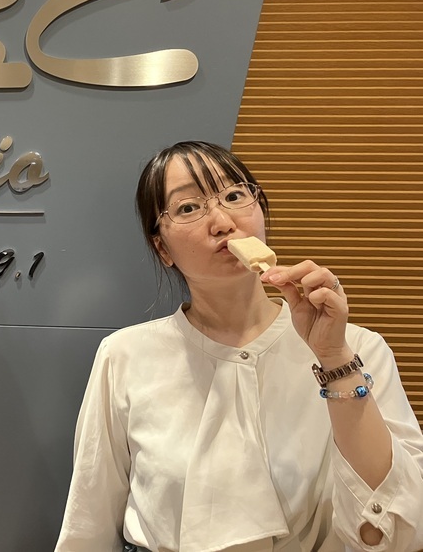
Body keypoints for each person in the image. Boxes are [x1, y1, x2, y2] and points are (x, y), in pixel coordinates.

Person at [55, 140, 423, 552]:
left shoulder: (357, 348)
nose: (222, 222)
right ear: (162, 248)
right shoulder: (125, 356)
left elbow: (402, 533)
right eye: (188, 208)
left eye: (233, 196)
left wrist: (335, 360)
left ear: (260, 209)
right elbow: (88, 525)